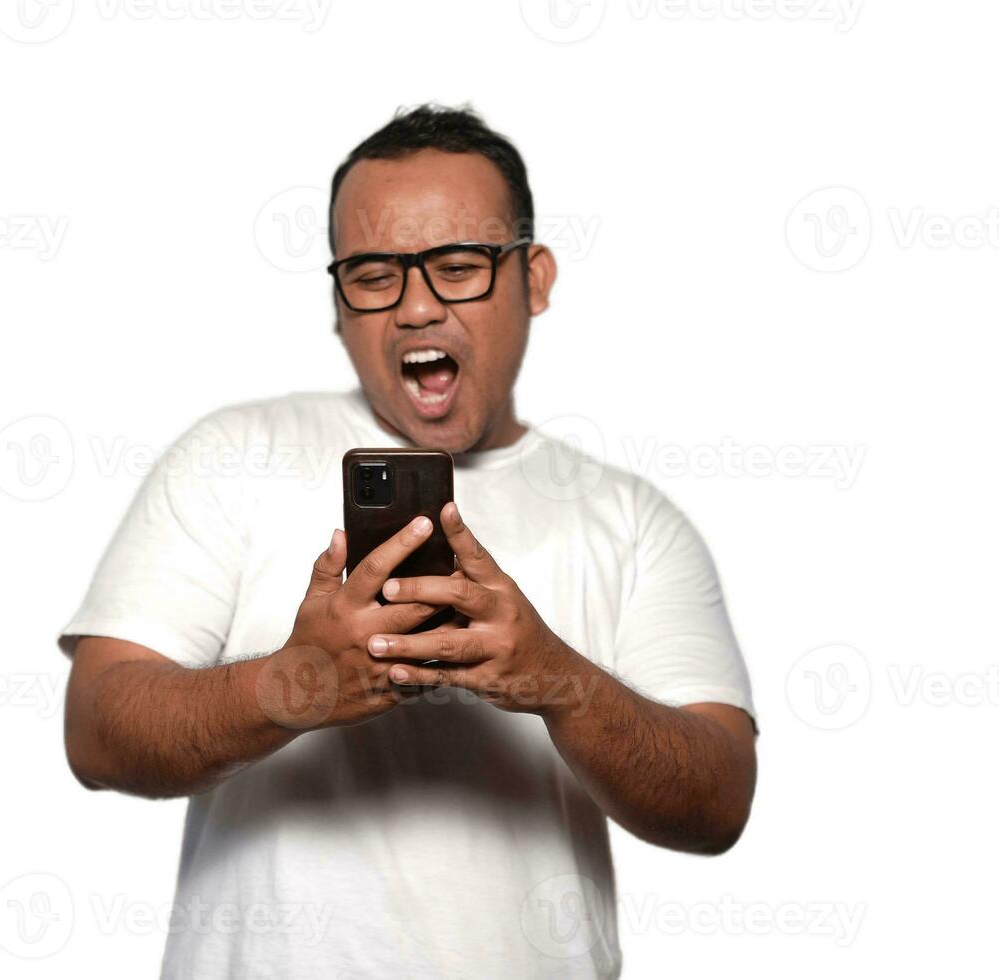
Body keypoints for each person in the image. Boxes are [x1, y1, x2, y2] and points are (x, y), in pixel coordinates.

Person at [59, 104, 757, 979]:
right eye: (374, 274)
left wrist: (558, 680)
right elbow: (95, 729)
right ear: (338, 299)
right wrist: (290, 685)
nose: (416, 306)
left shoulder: (633, 520)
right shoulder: (228, 457)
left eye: (459, 267)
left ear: (534, 279)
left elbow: (720, 798)